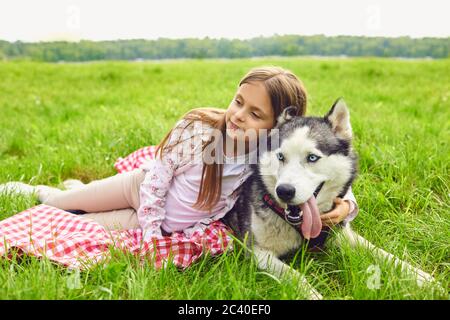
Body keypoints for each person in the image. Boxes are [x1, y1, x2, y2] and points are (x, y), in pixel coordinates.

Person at [0, 66, 358, 240]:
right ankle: (37, 192)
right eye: (238, 102)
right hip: (139, 191)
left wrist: (346, 206)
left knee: (81, 228)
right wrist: (152, 231)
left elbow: (312, 174)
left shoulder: (269, 154)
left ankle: (61, 202)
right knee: (65, 202)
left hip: (162, 221)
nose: (239, 116)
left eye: (255, 114)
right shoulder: (200, 133)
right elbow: (156, 181)